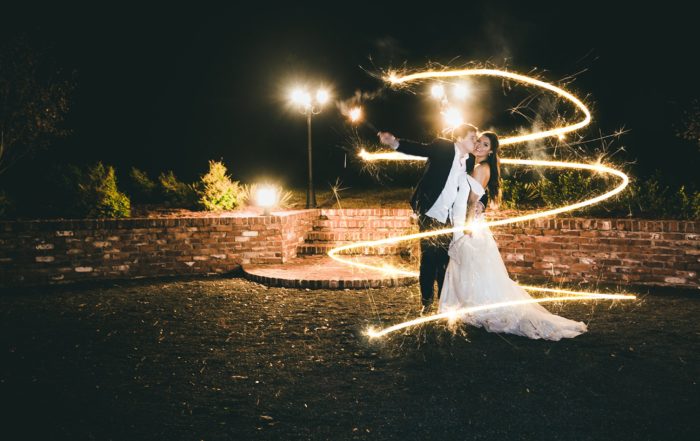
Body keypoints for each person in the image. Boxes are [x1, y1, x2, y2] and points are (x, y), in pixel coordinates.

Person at [438, 131, 587, 340]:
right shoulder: (472, 165)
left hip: (468, 225)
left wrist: (467, 227)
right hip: (462, 221)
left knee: (473, 267)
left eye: (485, 144)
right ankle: (465, 304)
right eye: (479, 142)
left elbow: (473, 200)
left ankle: (477, 306)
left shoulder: (482, 168)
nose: (479, 146)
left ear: (491, 151)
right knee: (468, 267)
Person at [378, 124, 478, 312]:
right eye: (472, 137)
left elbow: (474, 185)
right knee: (429, 259)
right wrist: (394, 143)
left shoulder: (469, 161)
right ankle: (426, 302)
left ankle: (442, 302)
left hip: (449, 218)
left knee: (444, 261)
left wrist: (481, 203)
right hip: (431, 212)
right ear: (460, 138)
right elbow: (419, 149)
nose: (476, 141)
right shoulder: (444, 147)